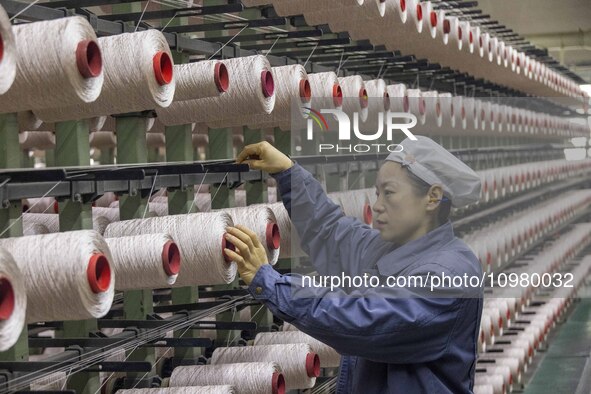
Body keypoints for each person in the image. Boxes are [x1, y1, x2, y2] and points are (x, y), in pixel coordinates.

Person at [223, 135, 484, 393]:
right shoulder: (386, 250)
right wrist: (287, 172)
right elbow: (329, 231)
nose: (378, 206)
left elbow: (361, 321)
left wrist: (269, 282)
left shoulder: (450, 274)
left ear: (433, 197)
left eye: (389, 193)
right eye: (377, 194)